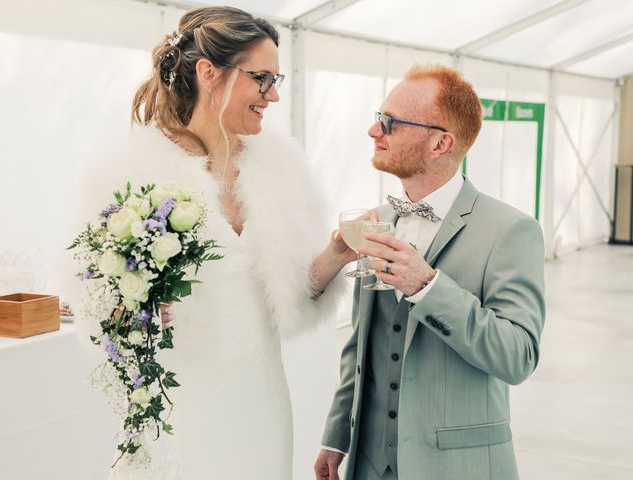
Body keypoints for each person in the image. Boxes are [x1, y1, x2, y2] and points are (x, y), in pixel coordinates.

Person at [75, 6, 353, 479]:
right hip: (182, 404)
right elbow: (94, 301)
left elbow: (293, 297)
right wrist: (133, 307)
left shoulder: (282, 169)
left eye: (277, 80)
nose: (273, 96)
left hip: (262, 401)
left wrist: (335, 255)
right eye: (261, 78)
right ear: (209, 73)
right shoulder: (133, 171)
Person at [314, 65, 546, 480]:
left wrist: (428, 286)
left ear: (441, 142)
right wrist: (336, 436)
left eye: (389, 122)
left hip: (457, 467)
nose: (373, 131)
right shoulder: (376, 221)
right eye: (376, 116)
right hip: (368, 465)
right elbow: (361, 345)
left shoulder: (511, 231)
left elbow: (518, 357)